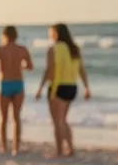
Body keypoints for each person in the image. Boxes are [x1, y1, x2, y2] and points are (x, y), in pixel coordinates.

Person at [35, 22, 91, 157]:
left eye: (51, 32)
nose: (50, 35)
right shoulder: (75, 48)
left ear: (56, 34)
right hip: (72, 86)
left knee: (57, 122)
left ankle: (59, 151)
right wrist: (86, 87)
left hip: (57, 87)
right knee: (63, 120)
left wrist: (41, 87)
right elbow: (81, 69)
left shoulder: (53, 49)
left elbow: (50, 70)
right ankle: (70, 148)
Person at [0, 25, 33, 155]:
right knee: (16, 118)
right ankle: (16, 148)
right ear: (16, 36)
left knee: (3, 118)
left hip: (3, 83)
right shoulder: (22, 49)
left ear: (4, 35)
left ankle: (4, 147)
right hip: (18, 83)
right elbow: (30, 67)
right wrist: (20, 65)